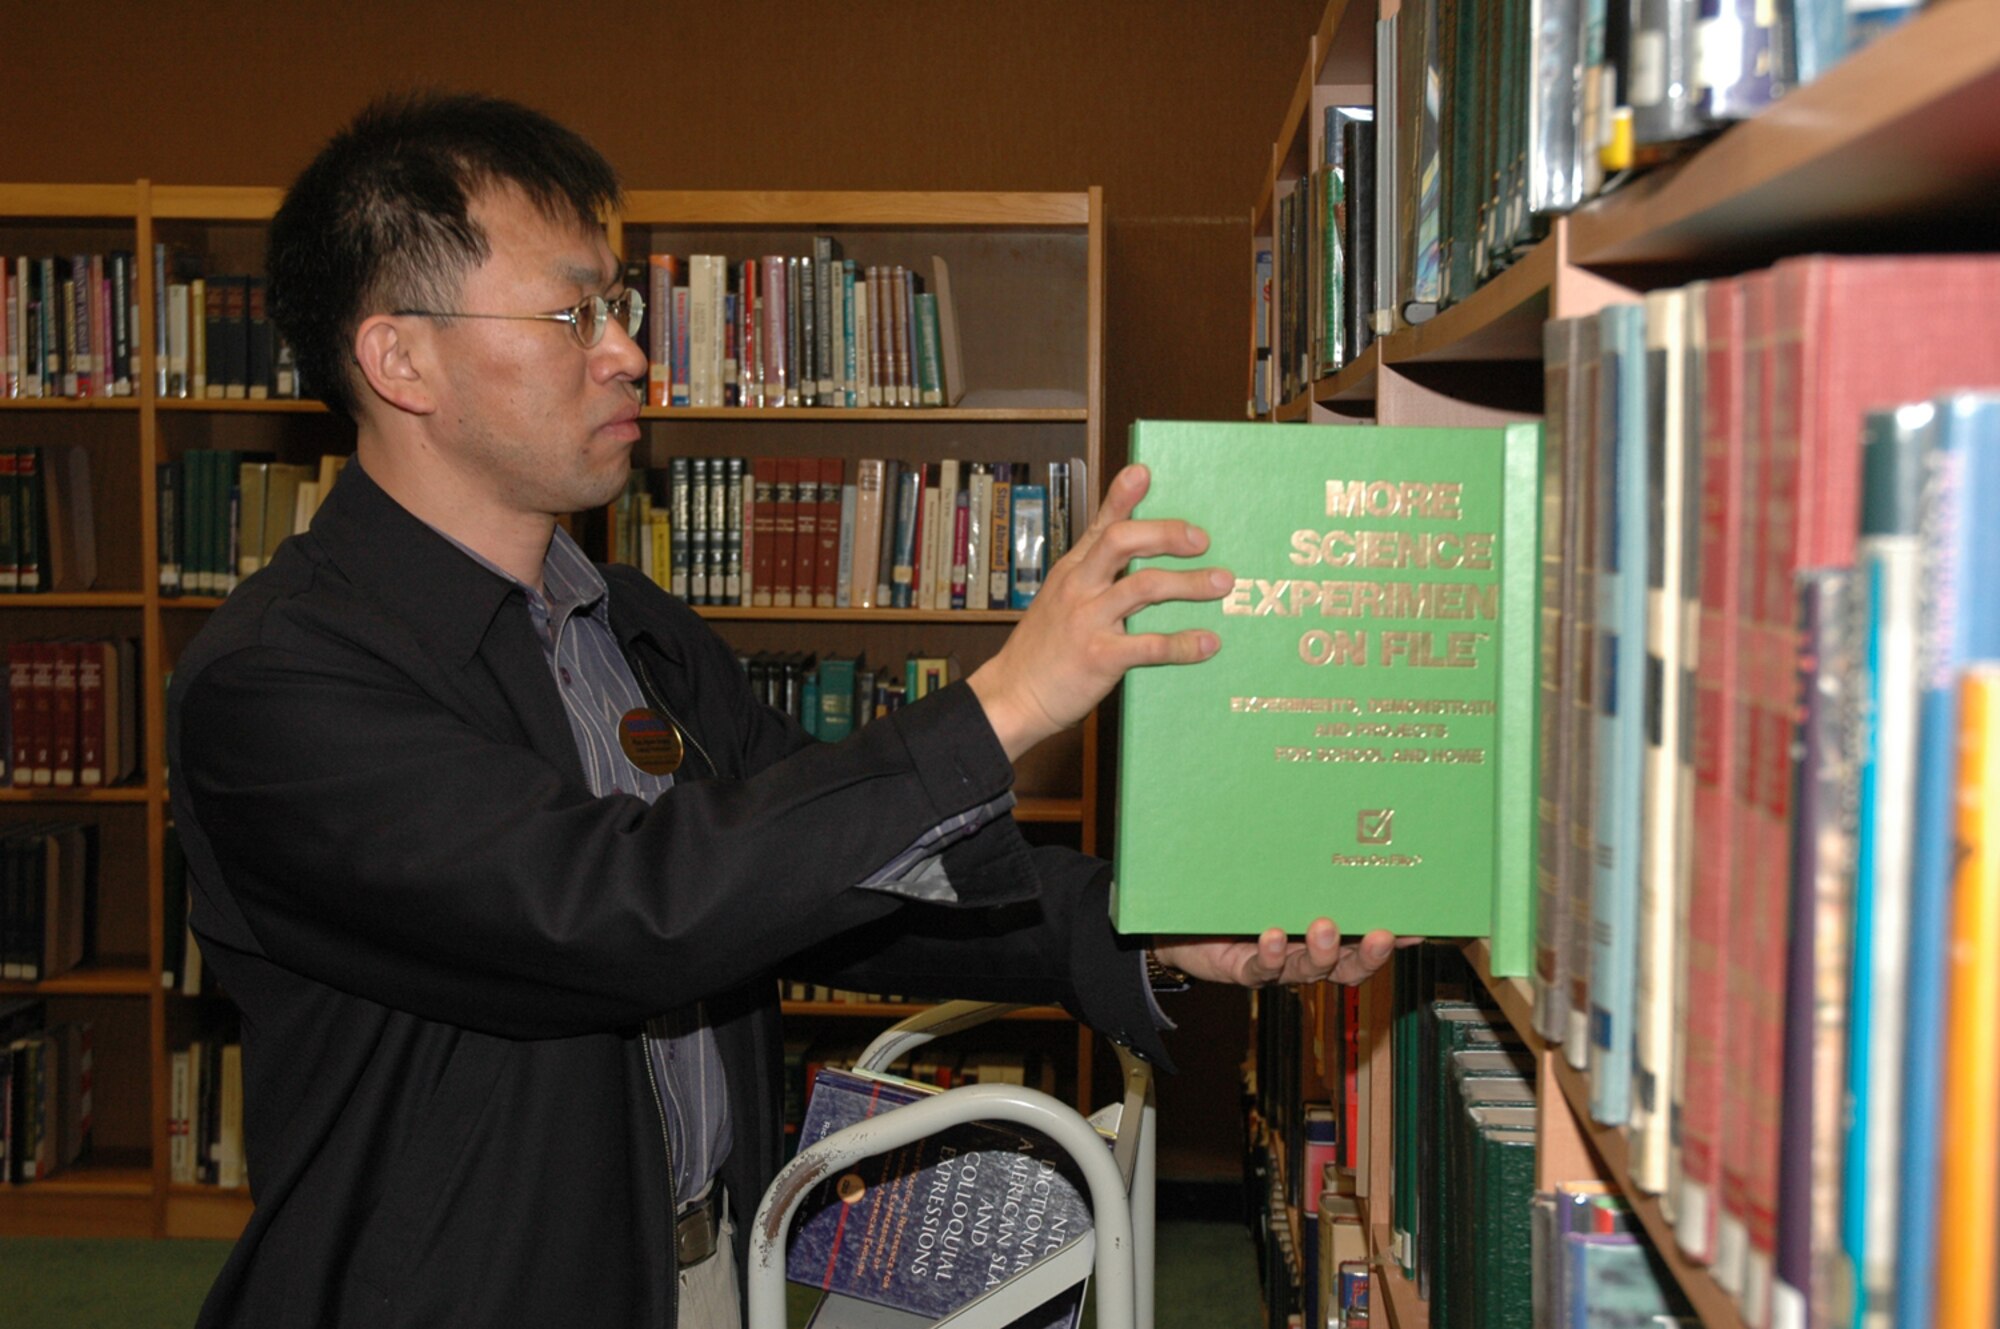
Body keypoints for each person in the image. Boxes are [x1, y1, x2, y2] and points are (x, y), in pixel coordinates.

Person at [167, 90, 1400, 1328]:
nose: (629, 350)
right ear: (400, 359)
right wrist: (1006, 701)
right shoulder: (279, 684)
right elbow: (604, 912)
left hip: (708, 1273)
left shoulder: (630, 630)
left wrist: (1153, 926)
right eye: (573, 311)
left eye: (621, 305)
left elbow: (837, 885)